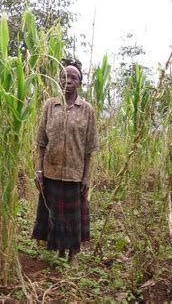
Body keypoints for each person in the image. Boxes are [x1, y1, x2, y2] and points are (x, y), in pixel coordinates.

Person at [32, 58, 99, 265]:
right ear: (58, 80)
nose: (68, 80)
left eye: (73, 77)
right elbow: (42, 141)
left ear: (79, 83)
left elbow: (89, 147)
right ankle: (58, 251)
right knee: (55, 215)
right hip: (51, 170)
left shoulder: (87, 110)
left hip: (74, 173)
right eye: (64, 76)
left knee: (72, 218)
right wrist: (39, 169)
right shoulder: (50, 106)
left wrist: (87, 175)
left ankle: (72, 255)